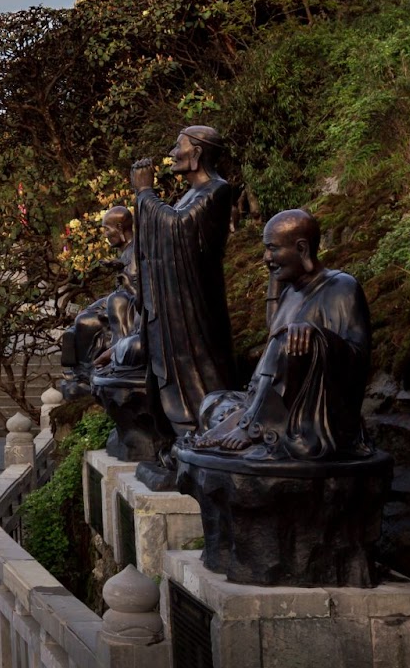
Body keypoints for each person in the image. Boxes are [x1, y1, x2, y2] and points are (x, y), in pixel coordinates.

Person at [189, 209, 372, 461]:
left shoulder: (342, 288)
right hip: (266, 398)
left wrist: (316, 337)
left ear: (302, 249)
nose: (266, 257)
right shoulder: (290, 290)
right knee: (212, 402)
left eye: (272, 249)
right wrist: (275, 280)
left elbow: (358, 359)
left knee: (293, 340)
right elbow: (272, 342)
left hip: (307, 408)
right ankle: (249, 416)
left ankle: (254, 425)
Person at [129, 125, 237, 438]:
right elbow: (163, 233)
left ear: (198, 152)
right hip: (172, 304)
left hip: (196, 305)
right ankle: (175, 437)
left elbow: (178, 231)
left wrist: (146, 193)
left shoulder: (217, 190)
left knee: (202, 371)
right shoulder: (188, 194)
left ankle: (204, 430)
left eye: (179, 147)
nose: (172, 154)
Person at [64, 206, 137, 380]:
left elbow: (136, 286)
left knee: (85, 320)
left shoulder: (137, 250)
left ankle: (89, 367)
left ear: (119, 228)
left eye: (107, 229)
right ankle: (82, 367)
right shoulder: (126, 251)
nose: (104, 234)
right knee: (83, 315)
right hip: (119, 296)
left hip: (129, 301)